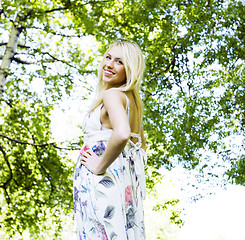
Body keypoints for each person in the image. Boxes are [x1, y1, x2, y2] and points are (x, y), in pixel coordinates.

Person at [73, 40, 147, 240]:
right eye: (108, 57)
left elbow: (122, 134)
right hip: (123, 183)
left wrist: (99, 166)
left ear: (130, 69)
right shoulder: (133, 103)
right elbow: (141, 147)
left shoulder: (113, 95)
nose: (109, 64)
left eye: (119, 62)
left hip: (102, 180)